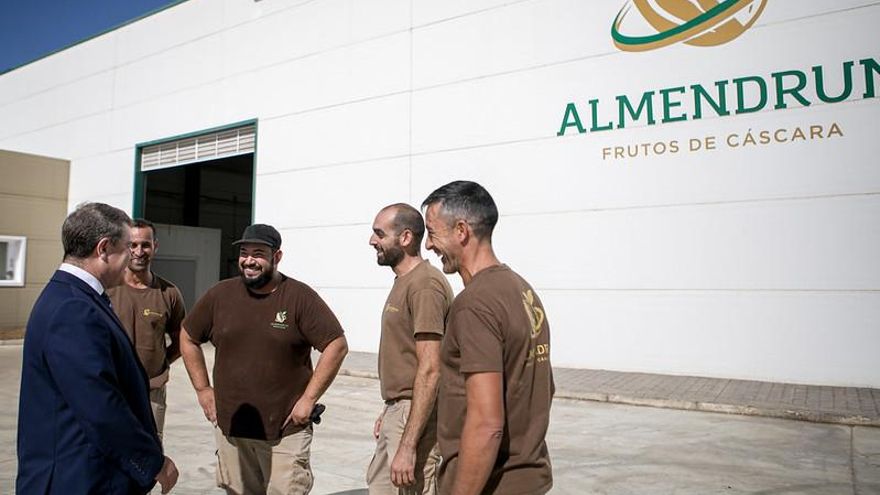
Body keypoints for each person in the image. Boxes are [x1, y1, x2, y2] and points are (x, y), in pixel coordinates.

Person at [17, 202, 178, 494]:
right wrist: (151, 462)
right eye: (127, 247)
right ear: (103, 248)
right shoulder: (72, 308)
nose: (132, 257)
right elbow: (100, 406)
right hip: (79, 478)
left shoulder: (77, 297)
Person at [179, 223, 349, 494]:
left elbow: (336, 345)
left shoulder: (299, 297)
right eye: (244, 253)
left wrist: (308, 399)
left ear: (277, 256)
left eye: (258, 254)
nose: (249, 261)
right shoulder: (220, 295)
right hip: (231, 429)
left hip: (285, 431)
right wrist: (202, 389)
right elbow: (188, 336)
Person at [421, 181, 554, 495]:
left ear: (461, 231)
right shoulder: (520, 289)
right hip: (529, 481)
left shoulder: (475, 305)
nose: (427, 245)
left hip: (493, 486)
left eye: (432, 233)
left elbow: (486, 424)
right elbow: (543, 387)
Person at [366, 204, 453, 494]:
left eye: (379, 234)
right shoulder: (405, 281)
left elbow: (431, 369)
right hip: (401, 410)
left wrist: (407, 444)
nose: (372, 241)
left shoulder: (425, 285)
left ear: (405, 238)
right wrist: (390, 409)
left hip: (414, 416)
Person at [108, 218, 186, 441]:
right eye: (132, 245)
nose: (139, 251)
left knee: (150, 453)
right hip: (110, 389)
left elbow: (182, 341)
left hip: (151, 393)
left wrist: (160, 364)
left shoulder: (169, 293)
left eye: (145, 245)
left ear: (155, 247)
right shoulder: (106, 289)